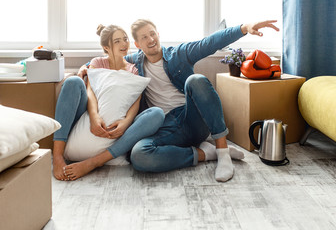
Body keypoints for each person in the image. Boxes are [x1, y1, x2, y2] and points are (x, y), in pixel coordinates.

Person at [78, 19, 279, 182]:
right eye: (144, 37)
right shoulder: (134, 62)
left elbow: (209, 43)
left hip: (191, 118)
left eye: (152, 33)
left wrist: (244, 28)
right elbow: (107, 60)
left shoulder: (178, 54)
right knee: (138, 156)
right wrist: (85, 67)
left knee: (196, 80)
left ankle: (222, 150)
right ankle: (205, 154)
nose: (150, 39)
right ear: (137, 45)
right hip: (165, 126)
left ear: (158, 34)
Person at [52, 24, 165, 181]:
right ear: (106, 47)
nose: (124, 44)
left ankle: (94, 162)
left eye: (125, 39)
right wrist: (94, 117)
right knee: (73, 82)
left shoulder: (134, 68)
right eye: (117, 41)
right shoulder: (97, 62)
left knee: (156, 114)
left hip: (120, 123)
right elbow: (90, 91)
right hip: (90, 113)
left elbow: (135, 100)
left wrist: (126, 122)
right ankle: (57, 156)